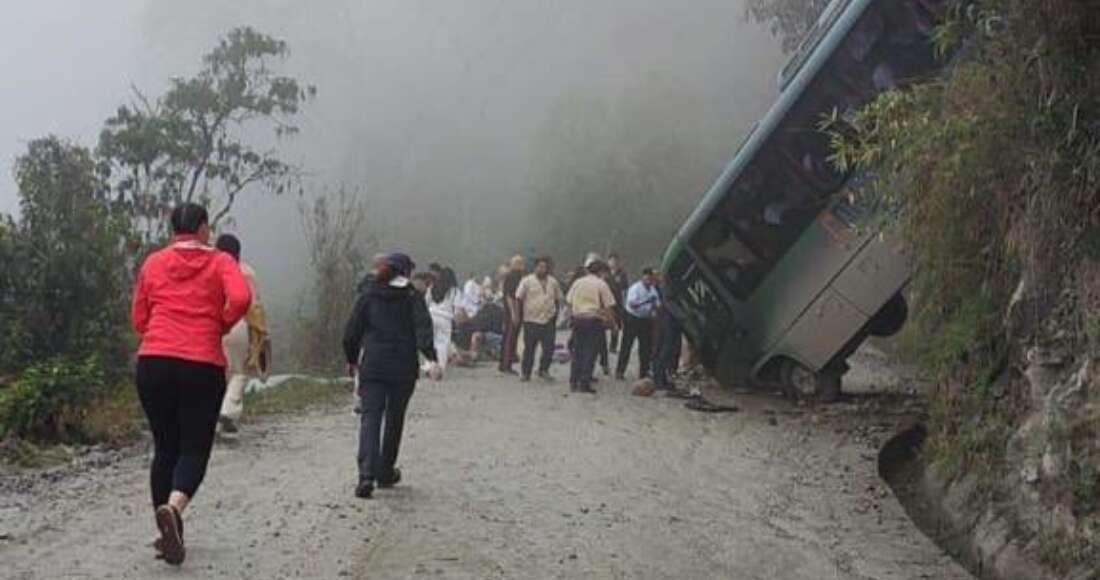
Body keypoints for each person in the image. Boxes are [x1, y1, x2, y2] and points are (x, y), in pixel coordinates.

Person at [131, 203, 252, 565]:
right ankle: (174, 508)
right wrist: (221, 323)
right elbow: (242, 297)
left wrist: (157, 331)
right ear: (203, 228)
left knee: (165, 446)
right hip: (200, 363)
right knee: (194, 447)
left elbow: (138, 317)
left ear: (173, 230)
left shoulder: (153, 263)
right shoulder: (220, 261)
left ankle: (164, 528)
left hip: (153, 362)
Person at [343, 252, 440, 499]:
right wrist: (431, 358)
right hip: (403, 367)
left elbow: (352, 331)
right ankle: (385, 471)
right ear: (405, 273)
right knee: (395, 418)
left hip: (373, 365)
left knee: (370, 418)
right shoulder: (411, 297)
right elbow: (423, 329)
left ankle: (366, 475)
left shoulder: (368, 294)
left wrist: (352, 359)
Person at [214, 234, 269, 434]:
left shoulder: (210, 270)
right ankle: (228, 411)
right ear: (238, 253)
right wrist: (262, 332)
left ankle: (213, 414)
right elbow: (255, 305)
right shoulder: (247, 272)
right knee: (239, 372)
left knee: (219, 372)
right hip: (239, 325)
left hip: (213, 326)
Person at [565, 259, 617, 393]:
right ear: (601, 272)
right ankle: (584, 383)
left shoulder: (578, 282)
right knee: (590, 353)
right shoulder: (601, 284)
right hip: (593, 321)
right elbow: (608, 307)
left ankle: (573, 382)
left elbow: (569, 303)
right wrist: (613, 324)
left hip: (578, 320)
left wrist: (570, 318)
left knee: (577, 352)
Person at [515, 257, 563, 382]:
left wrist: (555, 315)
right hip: (531, 320)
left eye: (545, 267)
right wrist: (517, 315)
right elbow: (518, 298)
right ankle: (526, 373)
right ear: (535, 267)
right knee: (530, 348)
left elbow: (558, 299)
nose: (542, 269)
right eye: (540, 267)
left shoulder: (553, 282)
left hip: (548, 320)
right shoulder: (527, 281)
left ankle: (543, 370)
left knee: (549, 347)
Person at [615, 268, 661, 381]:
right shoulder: (635, 288)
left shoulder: (653, 289)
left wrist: (654, 305)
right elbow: (632, 304)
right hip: (632, 318)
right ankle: (620, 371)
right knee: (627, 345)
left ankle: (643, 372)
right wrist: (647, 301)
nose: (649, 281)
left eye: (651, 279)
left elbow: (658, 305)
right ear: (643, 277)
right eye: (647, 278)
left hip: (645, 319)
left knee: (646, 347)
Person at [426, 267, 460, 374]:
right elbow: (457, 307)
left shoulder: (432, 287)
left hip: (431, 315)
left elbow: (426, 301)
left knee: (431, 343)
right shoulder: (454, 291)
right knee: (442, 344)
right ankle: (439, 369)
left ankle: (429, 367)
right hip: (445, 319)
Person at [498, 255, 526, 375]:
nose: (522, 265)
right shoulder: (513, 277)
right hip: (512, 312)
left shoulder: (514, 276)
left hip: (512, 311)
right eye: (519, 263)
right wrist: (515, 313)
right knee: (510, 338)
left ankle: (505, 363)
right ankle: (506, 365)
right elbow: (510, 296)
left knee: (509, 338)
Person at [607, 254, 630, 353]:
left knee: (616, 325)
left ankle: (613, 346)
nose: (613, 263)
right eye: (611, 261)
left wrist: (625, 304)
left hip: (618, 303)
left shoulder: (622, 274)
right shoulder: (606, 273)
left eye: (615, 261)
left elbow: (625, 289)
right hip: (606, 302)